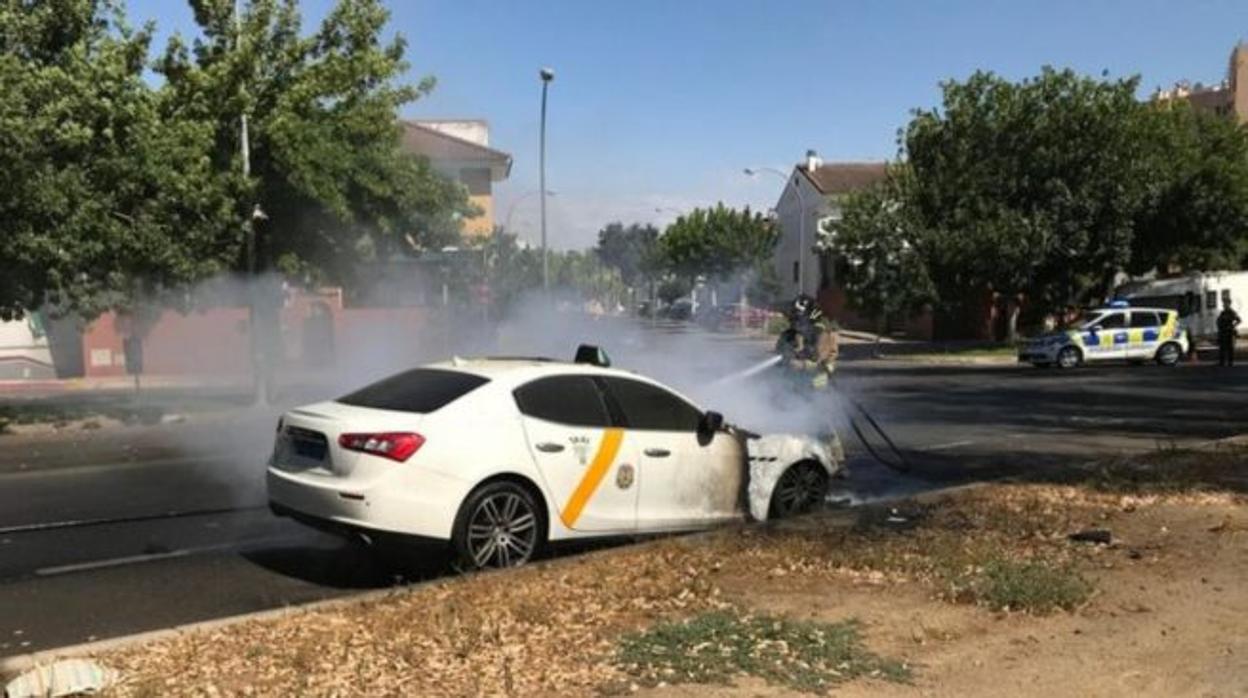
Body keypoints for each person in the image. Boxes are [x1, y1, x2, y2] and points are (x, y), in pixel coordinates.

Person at [775, 294, 839, 389]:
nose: (796, 321)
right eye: (794, 316)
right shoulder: (787, 335)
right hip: (791, 385)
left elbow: (824, 364)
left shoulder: (822, 335)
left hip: (817, 385)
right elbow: (780, 359)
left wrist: (803, 365)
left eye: (800, 317)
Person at [1217, 303, 1241, 367]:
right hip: (1223, 331)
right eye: (1224, 305)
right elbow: (1219, 321)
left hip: (1229, 332)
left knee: (1230, 348)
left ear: (1228, 305)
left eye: (1225, 305)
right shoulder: (1223, 312)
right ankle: (1222, 362)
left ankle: (1230, 362)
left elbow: (1238, 320)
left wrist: (1232, 326)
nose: (1224, 306)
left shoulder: (1231, 312)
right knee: (1222, 347)